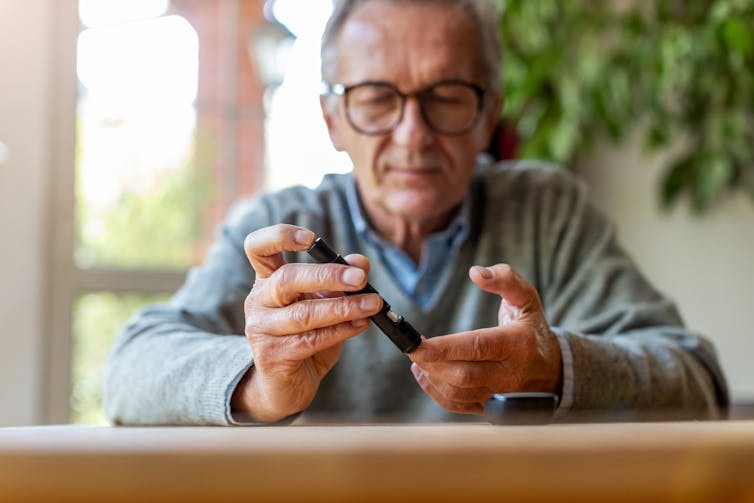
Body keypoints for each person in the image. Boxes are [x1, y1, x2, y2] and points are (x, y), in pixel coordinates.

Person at [103, 0, 728, 425]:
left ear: (488, 115)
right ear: (332, 120)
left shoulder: (547, 212)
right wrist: (259, 383)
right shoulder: (278, 232)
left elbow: (699, 383)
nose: (413, 135)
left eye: (447, 97)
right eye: (377, 99)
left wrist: (555, 367)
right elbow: (129, 371)